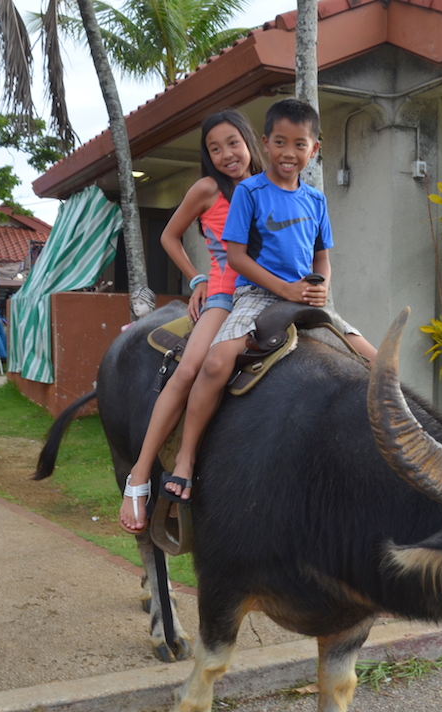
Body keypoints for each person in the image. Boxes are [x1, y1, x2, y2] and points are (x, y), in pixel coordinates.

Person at [164, 98, 376, 502]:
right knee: (214, 363)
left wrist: (321, 286)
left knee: (376, 358)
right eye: (280, 142)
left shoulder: (315, 200)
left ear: (314, 149)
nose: (289, 153)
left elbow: (322, 258)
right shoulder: (249, 191)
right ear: (264, 144)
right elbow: (238, 256)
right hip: (255, 294)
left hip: (303, 293)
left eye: (300, 144)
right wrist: (286, 290)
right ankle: (186, 457)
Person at [119, 108, 265, 534]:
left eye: (232, 143)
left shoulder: (270, 185)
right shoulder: (207, 189)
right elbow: (168, 234)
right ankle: (141, 473)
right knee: (189, 368)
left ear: (248, 140)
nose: (225, 154)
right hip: (224, 293)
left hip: (268, 291)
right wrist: (197, 276)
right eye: (214, 149)